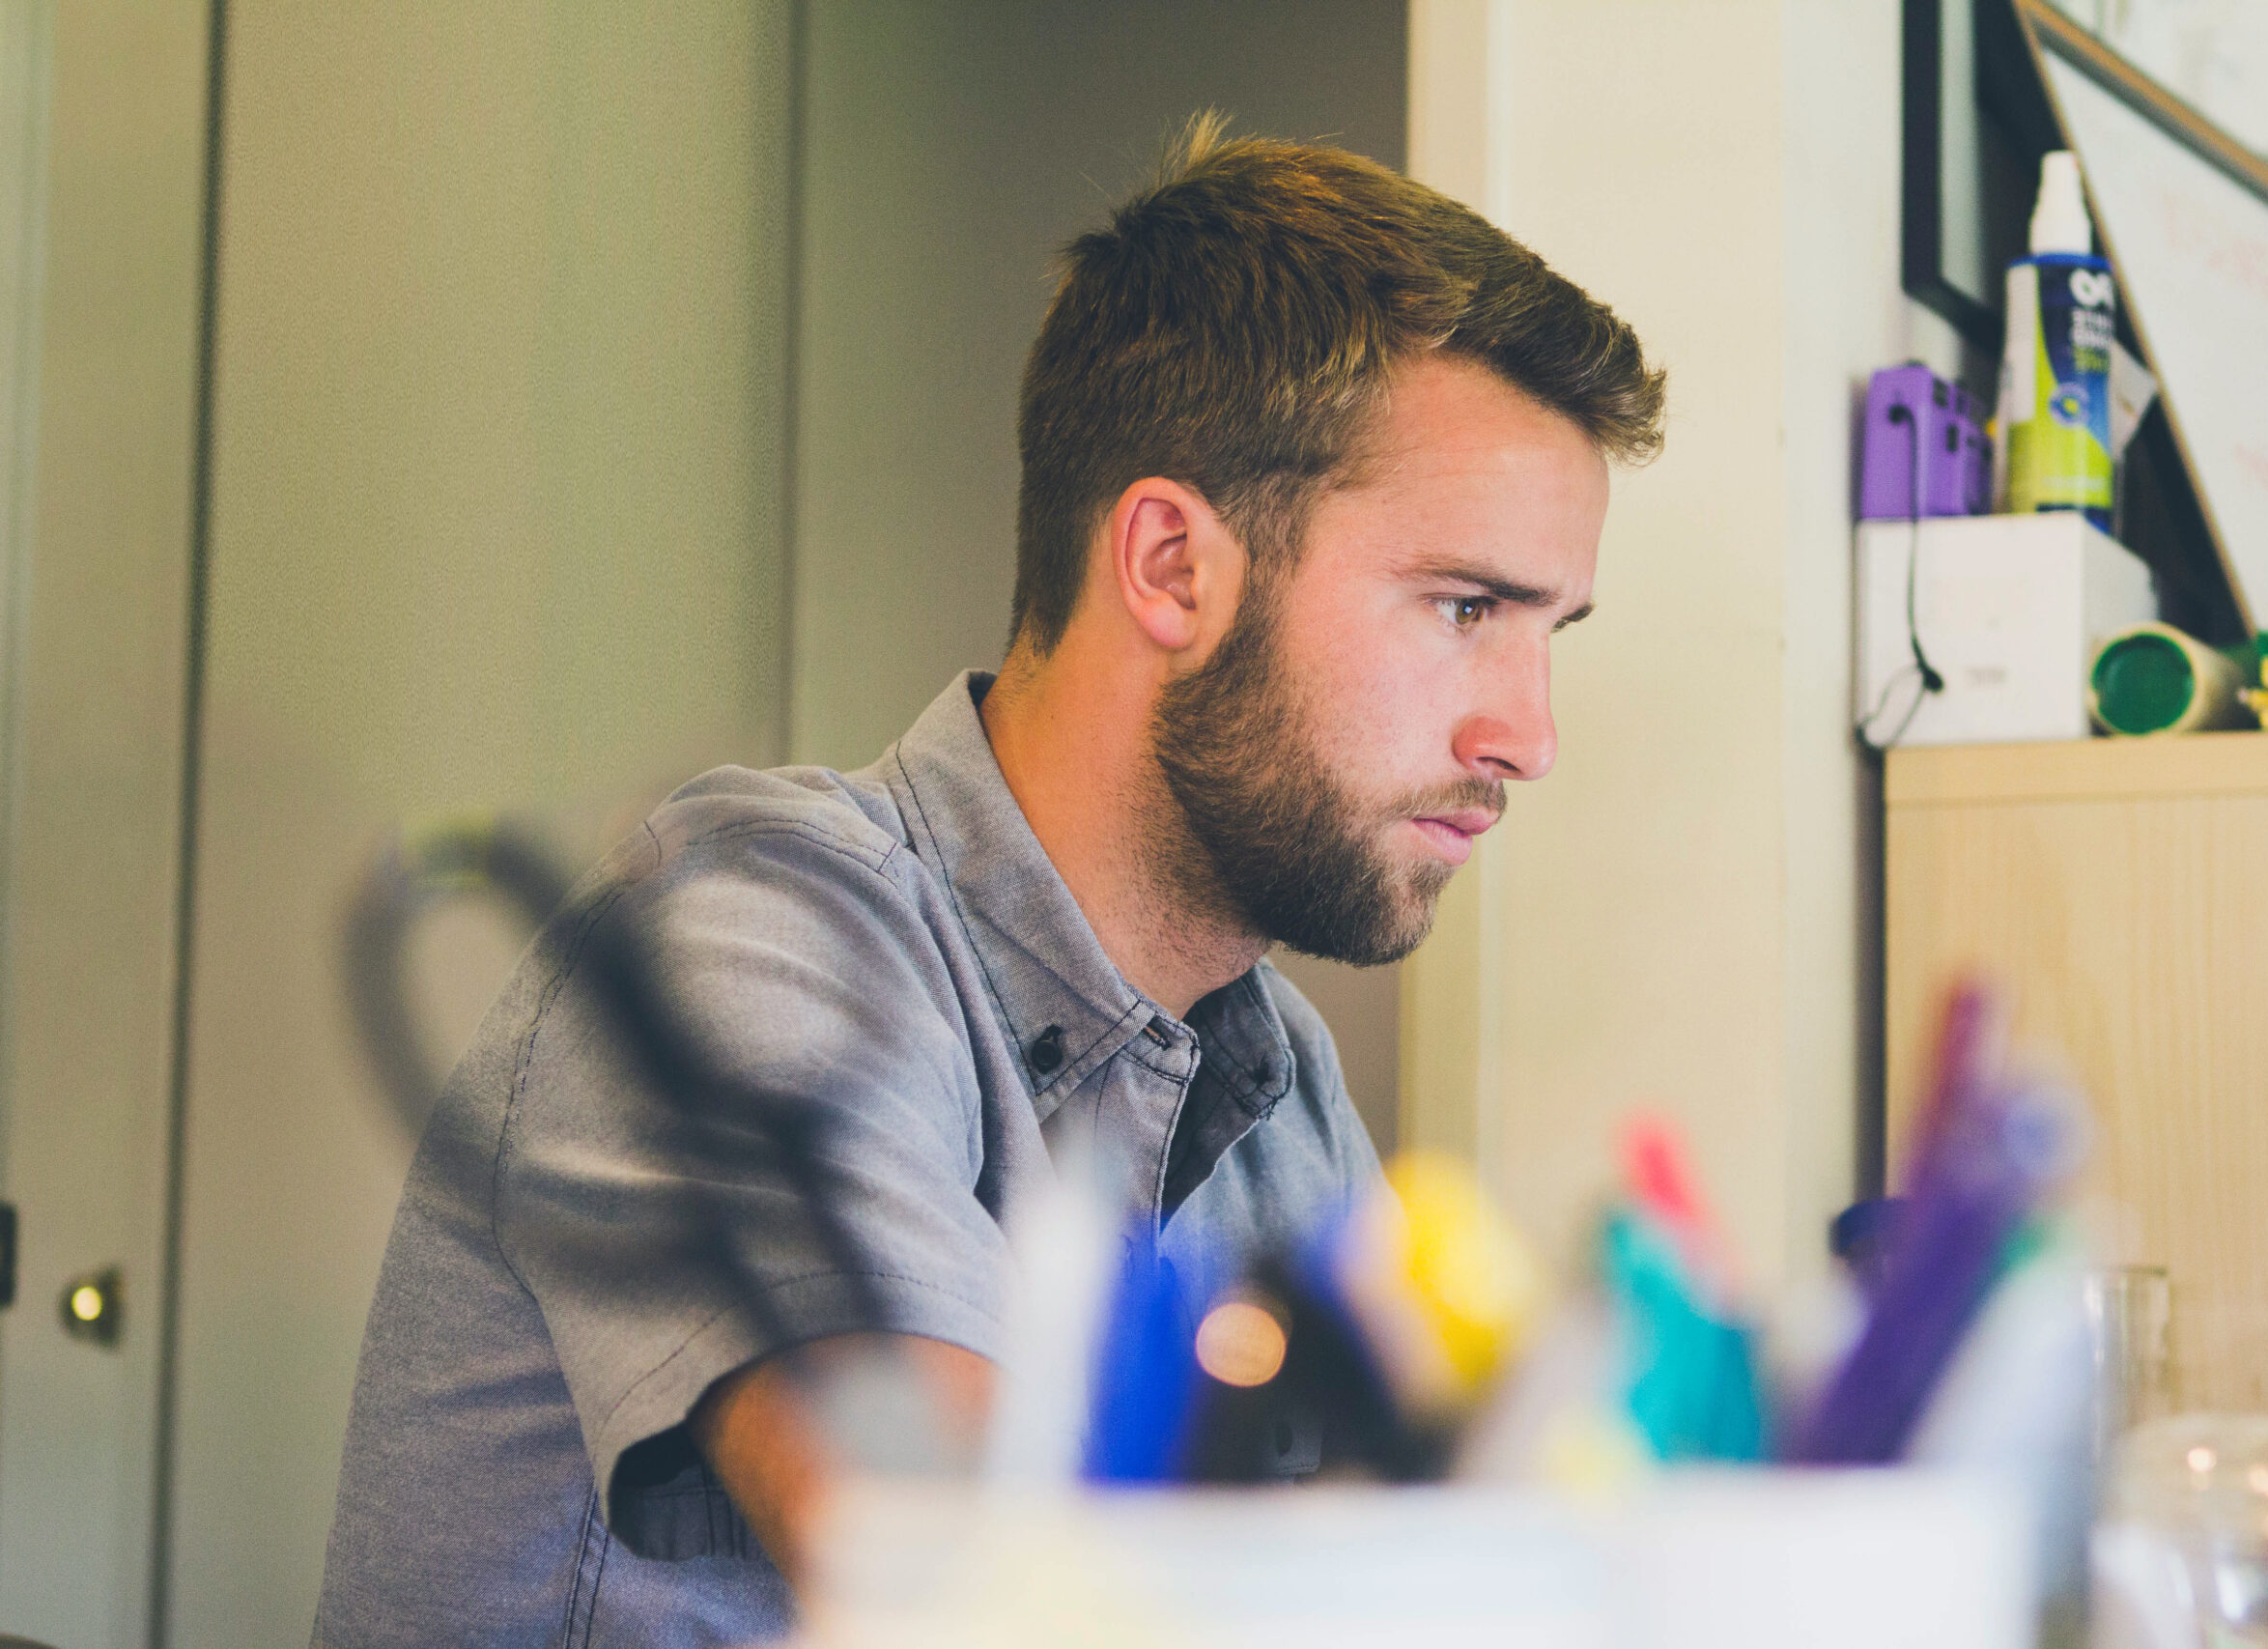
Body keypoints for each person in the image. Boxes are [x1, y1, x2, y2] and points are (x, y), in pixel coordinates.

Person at [313, 117, 1662, 1646]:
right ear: (1169, 566)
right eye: (1467, 606)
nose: (1527, 736)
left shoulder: (1281, 1096)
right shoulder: (746, 936)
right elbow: (973, 1592)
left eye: (1553, 631)